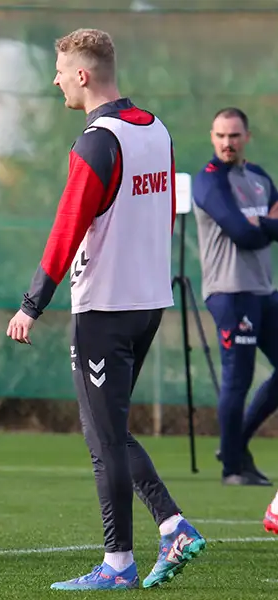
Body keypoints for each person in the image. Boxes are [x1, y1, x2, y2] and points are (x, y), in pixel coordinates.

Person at [5, 29, 205, 589]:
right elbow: (161, 214)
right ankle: (171, 526)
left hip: (106, 307)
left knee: (103, 437)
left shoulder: (96, 141)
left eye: (61, 70)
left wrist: (31, 304)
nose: (57, 80)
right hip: (148, 302)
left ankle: (120, 562)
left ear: (84, 75)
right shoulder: (157, 129)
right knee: (107, 430)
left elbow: (67, 228)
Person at [192, 107, 278, 487]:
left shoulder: (259, 178)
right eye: (221, 136)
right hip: (229, 292)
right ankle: (232, 468)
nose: (227, 143)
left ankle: (234, 444)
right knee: (237, 380)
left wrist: (263, 225)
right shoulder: (208, 182)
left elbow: (265, 224)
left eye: (235, 136)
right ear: (212, 137)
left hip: (263, 290)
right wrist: (264, 227)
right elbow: (241, 233)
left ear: (247, 137)